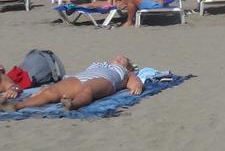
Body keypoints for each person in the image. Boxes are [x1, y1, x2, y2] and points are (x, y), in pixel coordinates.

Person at [2, 56, 142, 111]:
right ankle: (17, 105)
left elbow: (134, 81)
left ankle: (73, 104)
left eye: (122, 59)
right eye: (116, 57)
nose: (118, 59)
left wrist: (137, 86)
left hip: (106, 79)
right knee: (51, 92)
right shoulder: (100, 63)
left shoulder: (123, 71)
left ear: (127, 65)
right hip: (80, 77)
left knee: (88, 90)